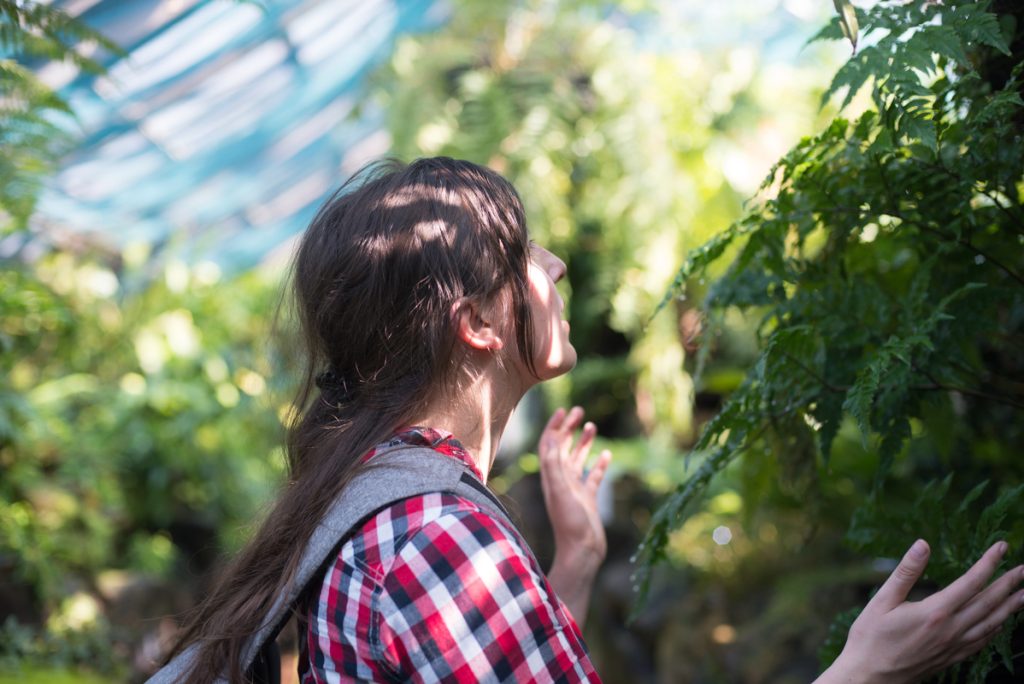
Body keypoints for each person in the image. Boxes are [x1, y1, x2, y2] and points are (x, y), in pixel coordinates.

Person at [166, 157, 1024, 683]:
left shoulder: (373, 496)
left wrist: (568, 568)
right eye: (526, 253)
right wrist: (863, 672)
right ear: (479, 323)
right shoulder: (437, 538)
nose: (557, 263)